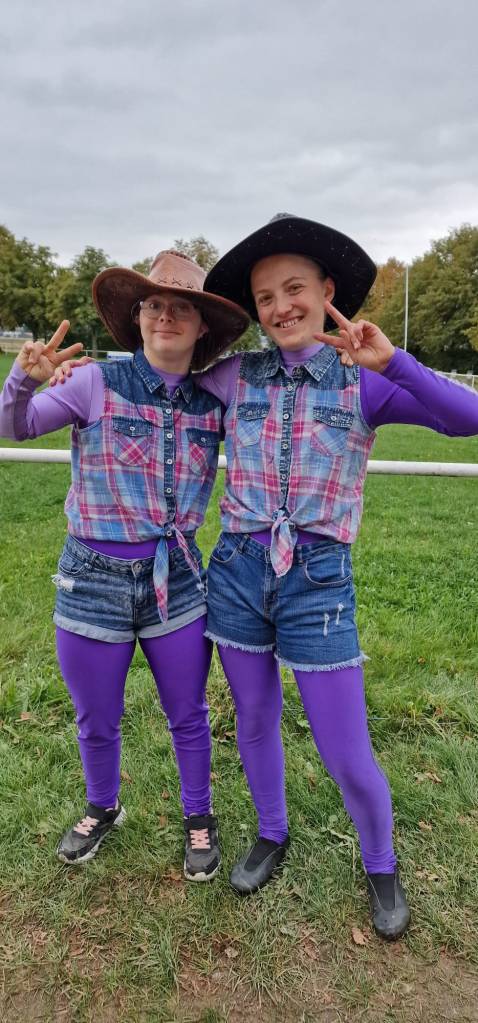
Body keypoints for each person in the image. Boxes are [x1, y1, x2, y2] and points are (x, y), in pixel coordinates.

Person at [191, 213, 478, 939]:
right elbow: (163, 381)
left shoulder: (364, 383)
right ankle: (272, 830)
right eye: (265, 297)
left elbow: (467, 417)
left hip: (317, 581)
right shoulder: (234, 377)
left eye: (294, 288)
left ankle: (380, 862)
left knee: (345, 748)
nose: (280, 306)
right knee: (254, 718)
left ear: (326, 292)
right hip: (238, 572)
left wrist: (394, 362)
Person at [0, 250, 248, 878]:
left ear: (201, 327)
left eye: (182, 307)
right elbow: (16, 426)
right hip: (91, 581)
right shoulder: (94, 384)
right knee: (96, 718)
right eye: (154, 304)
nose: (166, 316)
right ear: (137, 317)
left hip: (178, 582)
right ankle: (102, 805)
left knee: (188, 713)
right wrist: (23, 380)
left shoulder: (213, 403)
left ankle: (199, 815)